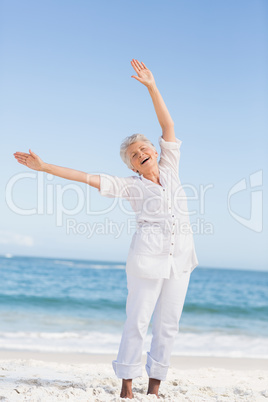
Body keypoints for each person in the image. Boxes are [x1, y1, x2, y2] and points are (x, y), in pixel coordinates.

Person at [14, 58, 198, 399]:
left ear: (154, 153)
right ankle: (127, 386)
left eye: (144, 147)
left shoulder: (171, 167)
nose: (141, 152)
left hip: (181, 259)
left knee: (168, 325)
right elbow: (85, 177)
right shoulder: (128, 185)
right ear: (130, 165)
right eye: (133, 154)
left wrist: (152, 87)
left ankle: (154, 389)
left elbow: (167, 125)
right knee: (138, 321)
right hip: (147, 258)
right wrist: (44, 168)